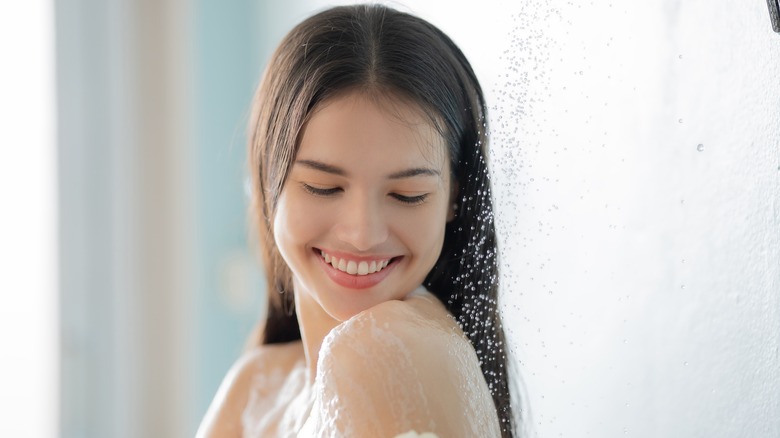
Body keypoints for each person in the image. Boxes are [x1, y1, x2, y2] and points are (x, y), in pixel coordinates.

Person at [196, 4, 517, 437]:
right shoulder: (256, 385)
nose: (363, 234)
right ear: (268, 182)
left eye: (407, 195)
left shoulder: (382, 353)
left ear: (454, 198)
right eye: (323, 187)